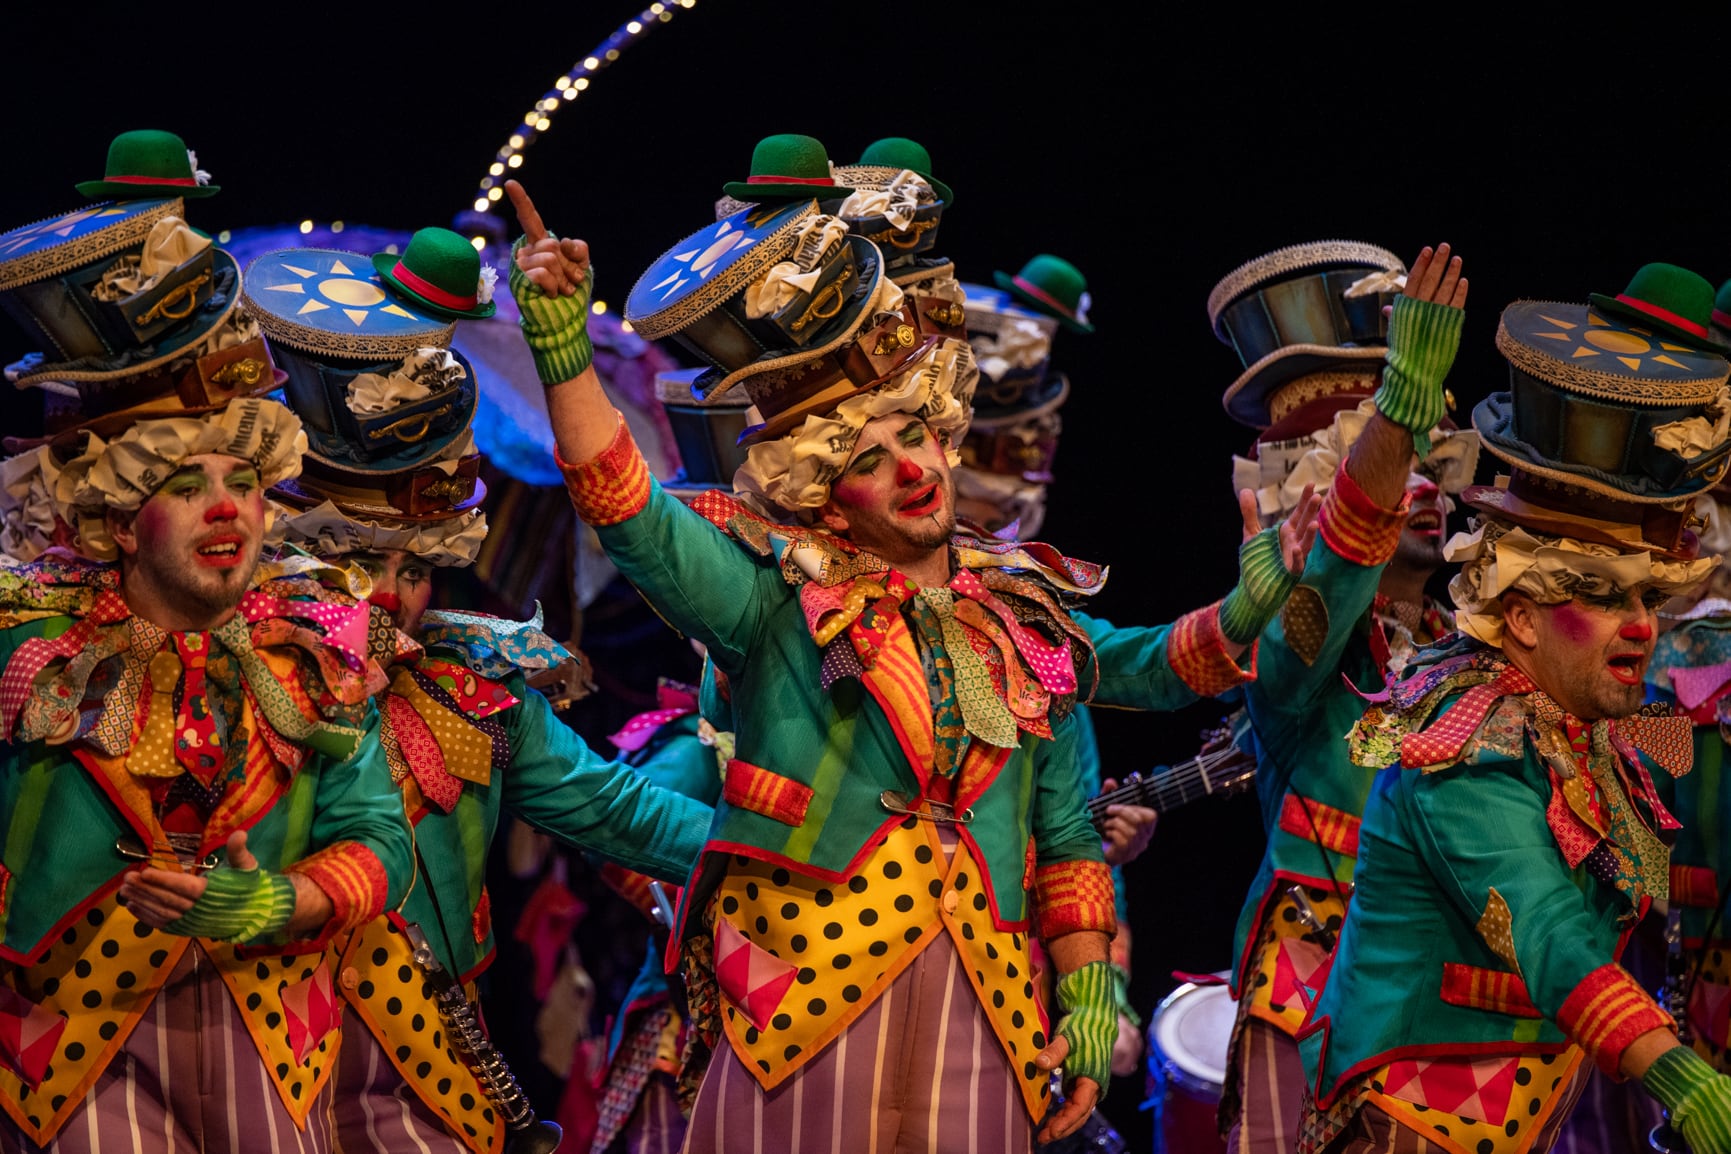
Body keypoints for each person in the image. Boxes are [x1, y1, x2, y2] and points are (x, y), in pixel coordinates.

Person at [503, 175, 1313, 1149]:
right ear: (825, 490)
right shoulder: (773, 604)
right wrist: (561, 353)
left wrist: (1093, 1000)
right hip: (803, 995)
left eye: (920, 435)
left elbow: (1116, 735)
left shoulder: (1019, 608)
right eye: (873, 458)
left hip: (984, 1005)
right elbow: (631, 514)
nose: (918, 468)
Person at [255, 229, 717, 1154]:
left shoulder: (469, 697)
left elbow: (620, 814)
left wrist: (818, 868)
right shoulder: (229, 684)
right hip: (254, 1064)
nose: (386, 596)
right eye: (352, 563)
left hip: (432, 1084)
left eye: (415, 569)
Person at [0, 216, 414, 1146]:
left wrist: (279, 901)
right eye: (185, 484)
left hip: (268, 1043)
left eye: (246, 480)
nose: (228, 508)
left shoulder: (323, 649)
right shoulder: (25, 644)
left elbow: (380, 839)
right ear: (118, 514)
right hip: (66, 1049)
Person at [1296, 291, 1731, 1153]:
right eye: (1602, 597)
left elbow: (1699, 793)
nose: (1642, 626)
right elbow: (1540, 926)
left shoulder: (1596, 729)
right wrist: (1674, 1070)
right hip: (1410, 1130)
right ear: (1522, 614)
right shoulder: (1461, 733)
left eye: (1648, 597)